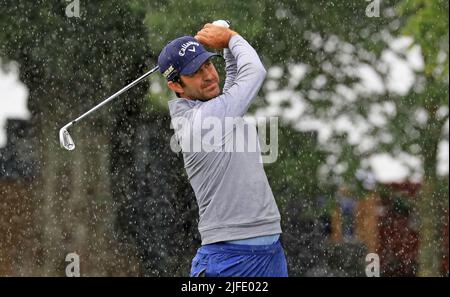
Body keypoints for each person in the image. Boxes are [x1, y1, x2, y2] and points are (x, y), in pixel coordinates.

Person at [158, 22, 288, 277]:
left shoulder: (215, 107)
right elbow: (253, 73)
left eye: (208, 63)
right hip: (230, 261)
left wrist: (226, 46)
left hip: (270, 254)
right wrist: (230, 37)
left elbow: (234, 78)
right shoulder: (199, 123)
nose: (208, 75)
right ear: (176, 86)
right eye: (195, 71)